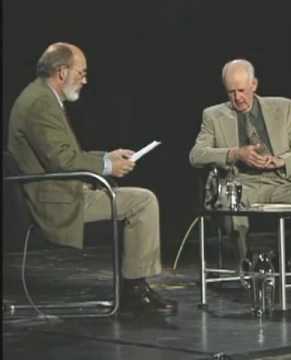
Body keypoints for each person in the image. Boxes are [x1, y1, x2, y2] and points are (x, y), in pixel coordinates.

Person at [7, 42, 176, 313]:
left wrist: (109, 155)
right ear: (62, 72)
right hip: (56, 203)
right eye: (81, 73)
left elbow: (66, 153)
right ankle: (134, 289)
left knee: (132, 197)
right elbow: (63, 160)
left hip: (62, 192)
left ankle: (133, 285)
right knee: (142, 202)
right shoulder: (40, 103)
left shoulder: (42, 96)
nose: (85, 80)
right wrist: (108, 166)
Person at [189, 59, 291, 269]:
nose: (237, 98)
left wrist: (281, 160)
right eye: (231, 92)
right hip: (241, 185)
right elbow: (196, 155)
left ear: (254, 85)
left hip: (281, 184)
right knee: (229, 203)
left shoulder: (283, 107)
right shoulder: (213, 115)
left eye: (242, 90)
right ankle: (246, 263)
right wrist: (236, 154)